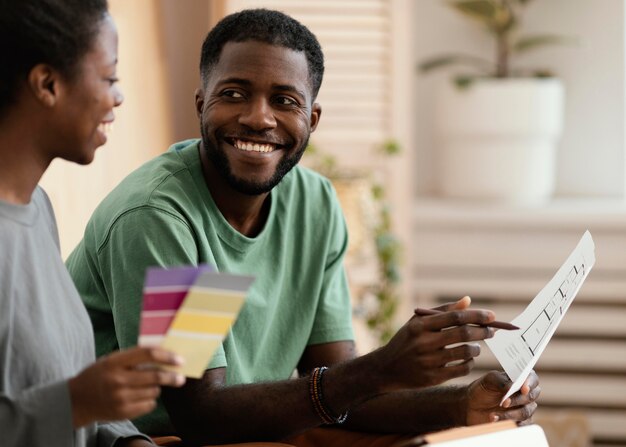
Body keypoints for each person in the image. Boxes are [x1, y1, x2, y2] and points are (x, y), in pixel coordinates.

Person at [66, 8, 540, 446]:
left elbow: (335, 392)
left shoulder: (315, 205)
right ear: (200, 104)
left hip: (254, 428)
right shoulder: (161, 217)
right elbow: (199, 414)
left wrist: (463, 403)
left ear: (311, 119)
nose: (257, 117)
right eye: (233, 94)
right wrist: (382, 368)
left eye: (284, 100)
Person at [0, 1, 188, 446]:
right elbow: (69, 399)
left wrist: (128, 439)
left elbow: (68, 388)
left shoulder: (37, 210)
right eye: (109, 78)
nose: (118, 96)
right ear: (47, 84)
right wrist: (75, 403)